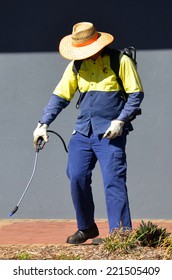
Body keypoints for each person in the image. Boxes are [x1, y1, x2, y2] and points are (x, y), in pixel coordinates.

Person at [33, 22, 144, 244]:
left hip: (110, 133)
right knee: (76, 176)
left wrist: (121, 120)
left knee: (114, 180)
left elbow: (136, 95)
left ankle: (121, 234)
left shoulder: (120, 61)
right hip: (83, 131)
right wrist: (43, 123)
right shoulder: (76, 66)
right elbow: (60, 97)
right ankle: (87, 228)